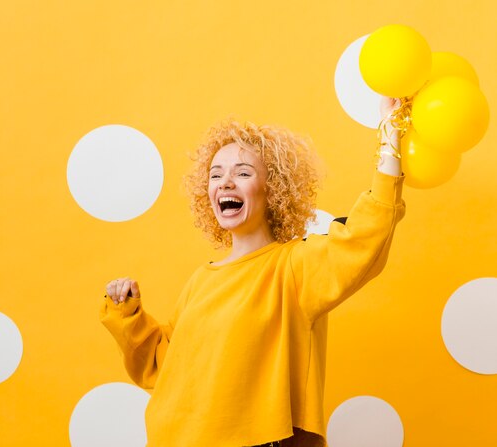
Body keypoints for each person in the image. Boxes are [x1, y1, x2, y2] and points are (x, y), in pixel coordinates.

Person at [100, 98, 405, 447]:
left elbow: (366, 238)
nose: (226, 182)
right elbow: (161, 367)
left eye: (242, 173)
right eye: (216, 174)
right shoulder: (202, 279)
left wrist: (391, 138)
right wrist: (128, 314)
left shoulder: (294, 267)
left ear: (273, 189)